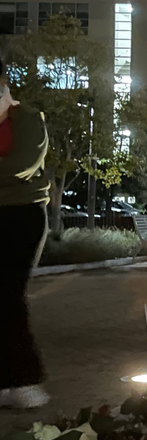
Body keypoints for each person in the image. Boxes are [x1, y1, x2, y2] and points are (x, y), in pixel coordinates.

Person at [0, 58, 52, 409]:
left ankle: (25, 377)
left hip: (19, 216)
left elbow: (20, 167)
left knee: (7, 292)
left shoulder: (27, 120)